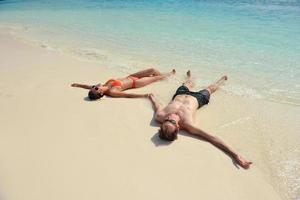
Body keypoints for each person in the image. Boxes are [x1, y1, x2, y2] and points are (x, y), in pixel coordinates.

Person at [148, 71, 252, 169]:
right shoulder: (189, 124)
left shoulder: (160, 116)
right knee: (211, 88)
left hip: (180, 94)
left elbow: (157, 105)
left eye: (167, 120)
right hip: (198, 98)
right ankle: (221, 81)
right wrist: (236, 155)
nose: (169, 118)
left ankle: (189, 76)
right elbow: (212, 138)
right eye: (172, 121)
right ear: (178, 127)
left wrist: (152, 98)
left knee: (188, 83)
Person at [71, 68, 175, 100]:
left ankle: (166, 77)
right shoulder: (112, 91)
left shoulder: (103, 86)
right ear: (101, 94)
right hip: (136, 83)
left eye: (93, 87)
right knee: (156, 78)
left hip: (131, 76)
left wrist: (77, 84)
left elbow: (86, 86)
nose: (95, 86)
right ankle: (170, 75)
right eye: (96, 89)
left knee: (152, 70)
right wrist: (144, 95)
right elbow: (127, 95)